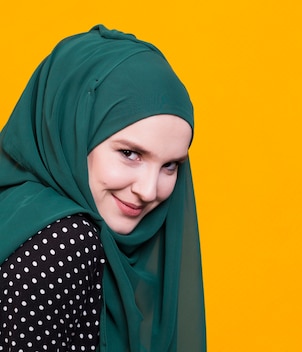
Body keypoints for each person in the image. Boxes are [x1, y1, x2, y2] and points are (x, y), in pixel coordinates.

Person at [0, 25, 206, 351]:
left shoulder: (17, 213)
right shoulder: (64, 240)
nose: (150, 191)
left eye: (171, 165)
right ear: (72, 131)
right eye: (130, 154)